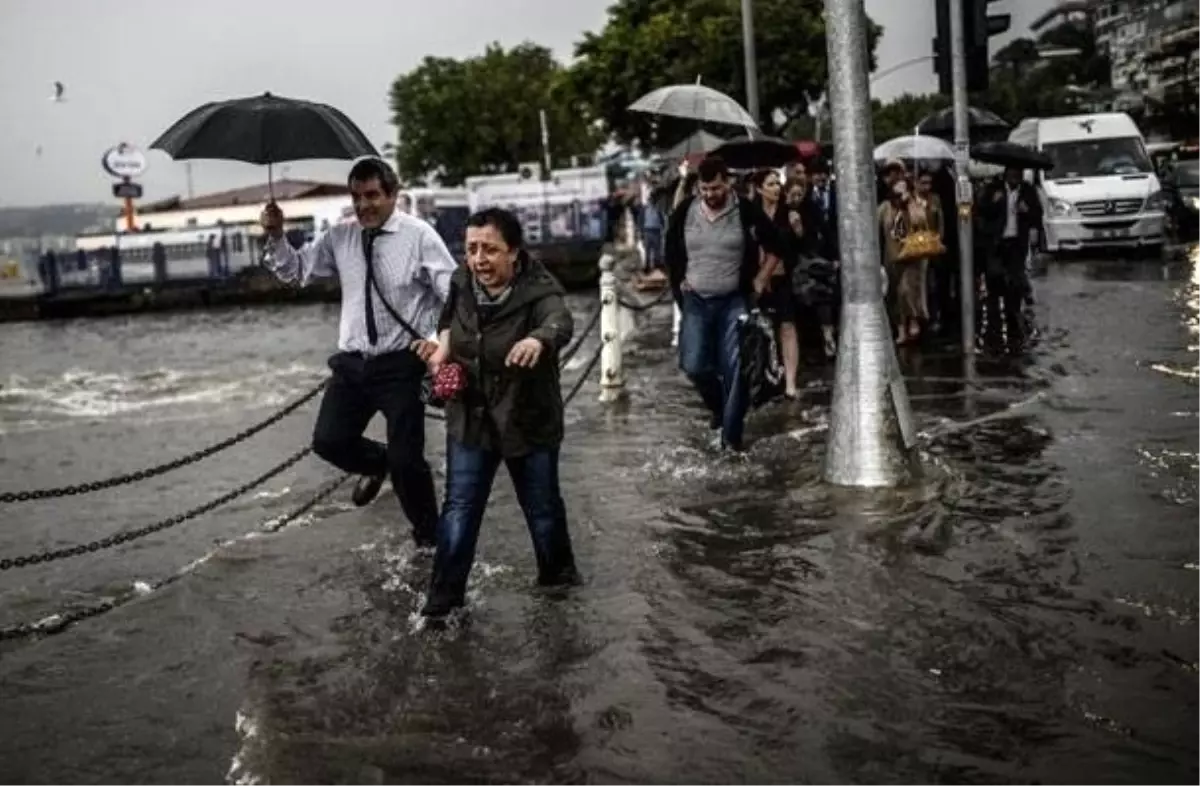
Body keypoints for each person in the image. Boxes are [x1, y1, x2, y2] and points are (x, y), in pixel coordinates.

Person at [259, 156, 457, 548]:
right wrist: (277, 234)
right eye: (356, 197)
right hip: (353, 364)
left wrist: (435, 338)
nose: (363, 205)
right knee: (329, 441)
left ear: (393, 195)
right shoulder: (341, 236)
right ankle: (378, 464)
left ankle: (430, 542)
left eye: (372, 196)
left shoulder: (419, 236)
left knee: (408, 461)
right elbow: (296, 272)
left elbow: (452, 293)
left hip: (403, 363)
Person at [412, 207, 579, 618]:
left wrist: (539, 341)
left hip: (528, 418)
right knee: (460, 508)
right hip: (471, 416)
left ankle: (559, 590)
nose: (479, 259)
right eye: (472, 249)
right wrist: (440, 352)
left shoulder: (541, 290)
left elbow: (560, 322)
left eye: (490, 249)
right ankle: (441, 606)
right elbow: (449, 319)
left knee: (542, 510)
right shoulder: (461, 280)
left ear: (515, 253)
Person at [665, 155, 784, 451]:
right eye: (704, 190)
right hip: (696, 300)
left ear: (727, 182)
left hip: (733, 300)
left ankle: (731, 441)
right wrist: (678, 283)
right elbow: (670, 251)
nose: (710, 195)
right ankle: (718, 404)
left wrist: (760, 279)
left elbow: (777, 245)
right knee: (693, 364)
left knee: (737, 370)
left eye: (715, 188)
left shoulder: (745, 210)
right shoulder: (685, 212)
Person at [977, 165, 1042, 351]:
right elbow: (981, 210)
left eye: (1018, 175)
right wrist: (993, 203)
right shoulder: (993, 189)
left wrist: (1026, 211)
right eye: (1012, 175)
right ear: (1006, 175)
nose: (1015, 178)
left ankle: (1014, 330)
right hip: (997, 244)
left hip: (1016, 245)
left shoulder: (1028, 191)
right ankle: (993, 330)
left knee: (1014, 287)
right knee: (994, 284)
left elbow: (1037, 214)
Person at [752, 169, 801, 397]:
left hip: (782, 277)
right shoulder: (751, 214)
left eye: (777, 184)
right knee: (761, 328)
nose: (776, 188)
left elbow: (797, 244)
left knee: (788, 326)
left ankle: (791, 381)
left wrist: (797, 228)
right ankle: (765, 376)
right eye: (770, 184)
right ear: (760, 188)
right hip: (758, 279)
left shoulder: (787, 214)